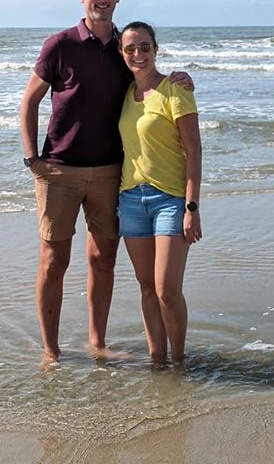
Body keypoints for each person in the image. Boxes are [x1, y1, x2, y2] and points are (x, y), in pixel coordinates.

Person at [19, 0, 192, 367]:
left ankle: (97, 342)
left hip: (112, 174)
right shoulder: (59, 44)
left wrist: (179, 78)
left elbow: (147, 75)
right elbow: (29, 102)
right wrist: (32, 159)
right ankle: (52, 351)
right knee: (53, 260)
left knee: (102, 259)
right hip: (58, 170)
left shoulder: (122, 47)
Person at [116, 21, 202, 365]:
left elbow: (194, 150)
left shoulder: (176, 90)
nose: (138, 55)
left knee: (166, 289)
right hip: (131, 200)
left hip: (170, 200)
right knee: (147, 288)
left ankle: (179, 362)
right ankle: (157, 361)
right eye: (130, 49)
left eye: (145, 47)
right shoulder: (124, 94)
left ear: (156, 49)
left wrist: (192, 207)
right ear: (122, 53)